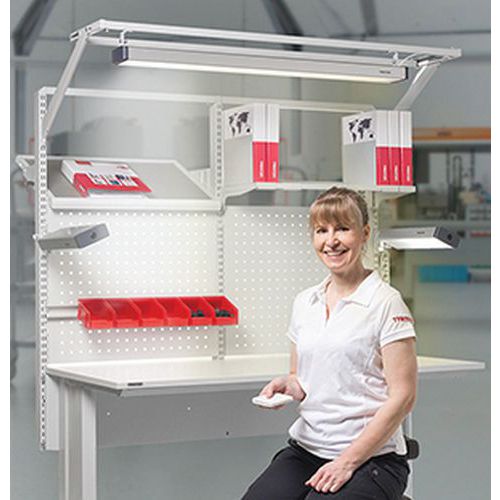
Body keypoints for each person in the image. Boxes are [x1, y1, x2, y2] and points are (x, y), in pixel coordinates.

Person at [242, 187, 417, 500]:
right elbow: (300, 376)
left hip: (372, 458)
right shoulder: (304, 302)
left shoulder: (386, 303)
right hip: (308, 449)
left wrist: (347, 462)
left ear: (364, 234)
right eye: (321, 230)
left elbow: (404, 397)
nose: (331, 241)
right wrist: (289, 385)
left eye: (343, 228)